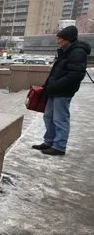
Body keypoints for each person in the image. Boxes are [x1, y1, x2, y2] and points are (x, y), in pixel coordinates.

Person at [32, 25, 90, 156]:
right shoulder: (65, 51)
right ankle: (49, 142)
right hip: (54, 90)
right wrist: (47, 86)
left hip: (63, 92)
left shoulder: (78, 52)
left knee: (60, 119)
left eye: (60, 39)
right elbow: (56, 72)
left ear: (68, 39)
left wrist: (55, 85)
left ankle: (59, 146)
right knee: (48, 116)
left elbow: (75, 75)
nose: (58, 41)